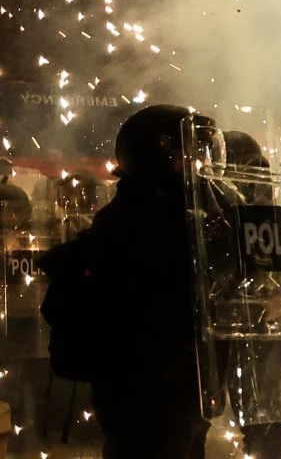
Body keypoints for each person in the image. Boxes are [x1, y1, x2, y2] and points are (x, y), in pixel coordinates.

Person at [41, 105, 224, 458]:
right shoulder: (139, 218)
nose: (202, 163)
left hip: (178, 386)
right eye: (190, 153)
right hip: (147, 388)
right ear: (157, 155)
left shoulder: (172, 211)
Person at [223, 131, 281, 459]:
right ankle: (263, 445)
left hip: (251, 300)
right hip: (237, 299)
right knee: (258, 385)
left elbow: (270, 246)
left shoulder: (229, 194)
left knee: (261, 386)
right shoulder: (217, 198)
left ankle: (263, 446)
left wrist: (275, 291)